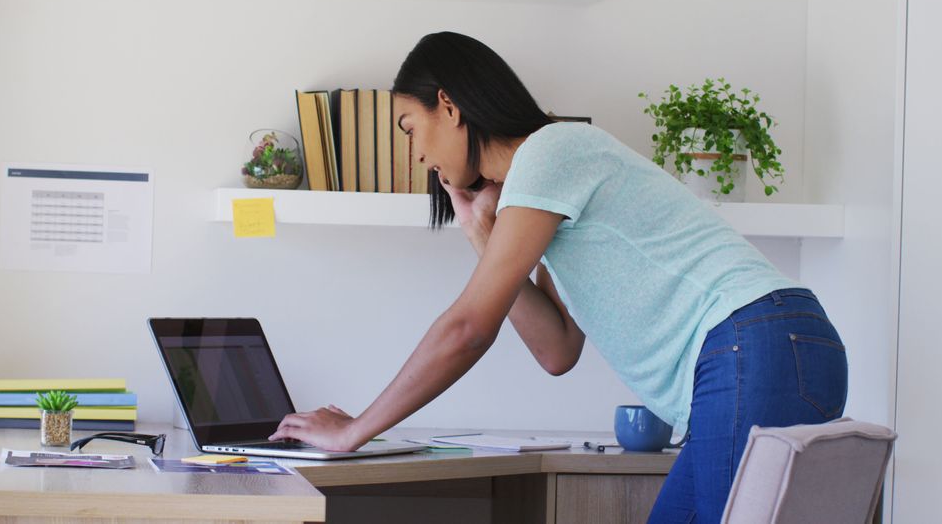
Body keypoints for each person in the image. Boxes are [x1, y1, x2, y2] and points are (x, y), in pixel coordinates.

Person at [271, 31, 848, 522]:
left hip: (755, 339)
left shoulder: (552, 151)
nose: (416, 153)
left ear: (447, 106)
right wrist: (480, 234)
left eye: (408, 128)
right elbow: (557, 349)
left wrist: (356, 431)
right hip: (759, 350)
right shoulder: (540, 190)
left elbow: (470, 326)